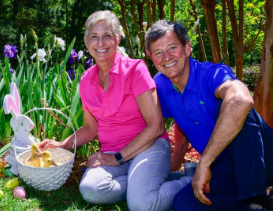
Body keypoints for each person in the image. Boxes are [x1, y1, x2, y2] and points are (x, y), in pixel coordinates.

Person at [39, 11, 192, 211]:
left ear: (118, 39)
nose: (100, 42)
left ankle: (190, 179)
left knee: (143, 205)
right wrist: (62, 145)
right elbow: (90, 128)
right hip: (113, 151)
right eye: (94, 36)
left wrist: (115, 158)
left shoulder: (136, 70)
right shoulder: (86, 80)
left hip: (149, 147)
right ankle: (148, 183)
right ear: (86, 41)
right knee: (91, 190)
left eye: (107, 36)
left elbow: (155, 127)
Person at [145, 20, 273, 211]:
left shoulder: (212, 73)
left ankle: (256, 199)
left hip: (261, 156)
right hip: (222, 166)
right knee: (185, 204)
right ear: (151, 58)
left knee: (232, 106)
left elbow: (242, 100)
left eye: (172, 47)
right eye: (158, 52)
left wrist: (203, 162)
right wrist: (174, 164)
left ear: (187, 48)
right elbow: (181, 124)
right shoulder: (161, 85)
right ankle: (255, 205)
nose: (166, 57)